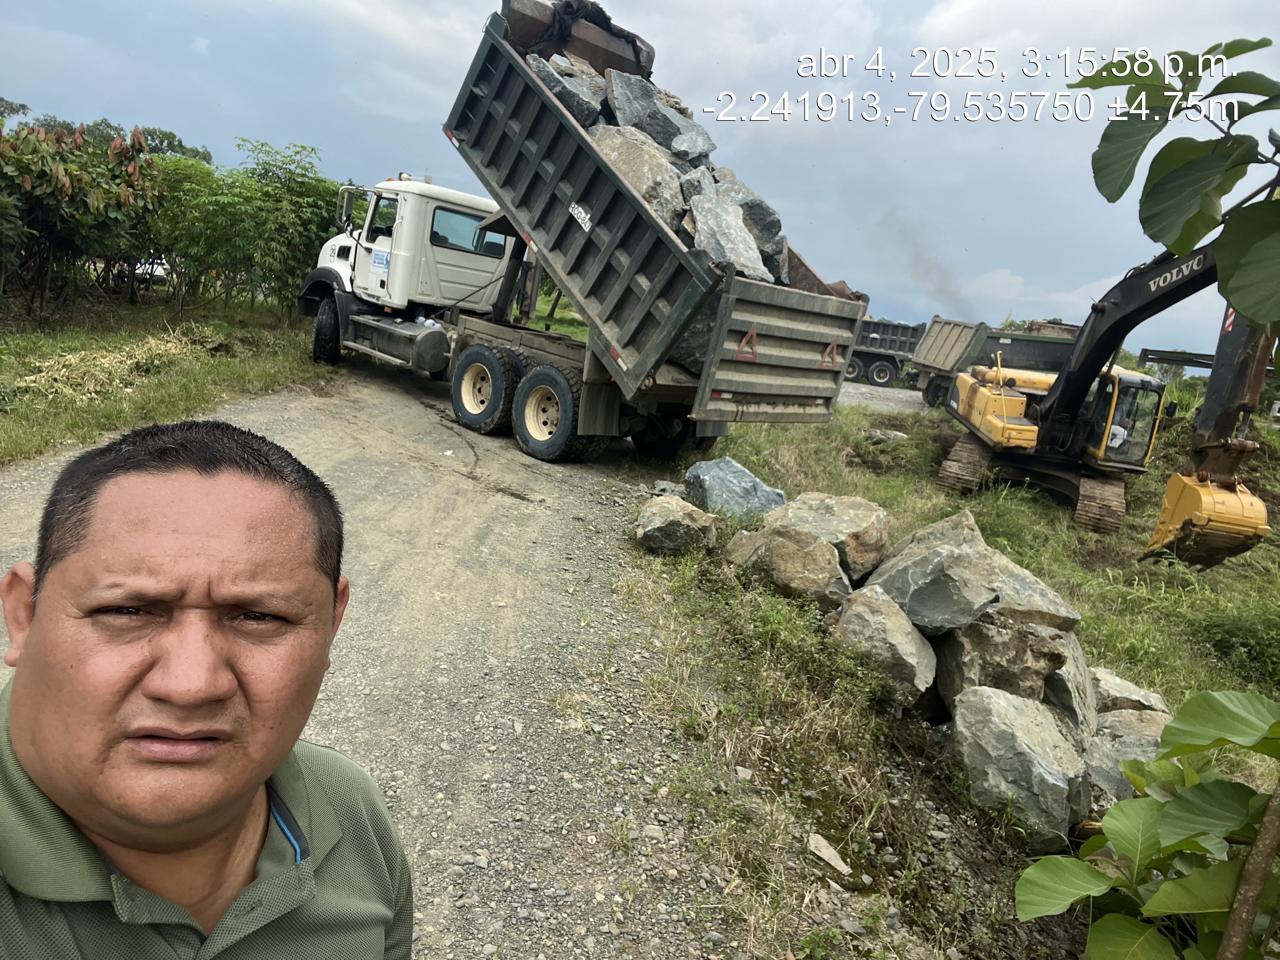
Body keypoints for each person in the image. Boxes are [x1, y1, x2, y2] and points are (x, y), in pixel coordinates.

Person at [0, 420, 412, 959]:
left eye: (259, 616)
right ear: (23, 615)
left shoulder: (352, 813)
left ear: (331, 625)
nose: (191, 685)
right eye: (128, 610)